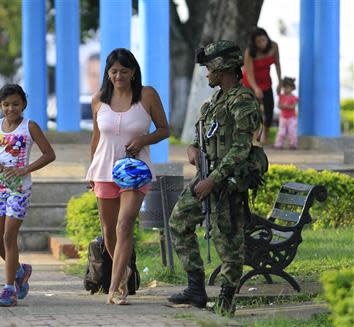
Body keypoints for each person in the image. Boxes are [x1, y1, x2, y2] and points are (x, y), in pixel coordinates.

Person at [168, 40, 262, 316]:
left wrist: (215, 180)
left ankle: (226, 300)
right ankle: (196, 288)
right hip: (206, 177)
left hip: (228, 182)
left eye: (209, 67)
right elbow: (199, 138)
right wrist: (192, 149)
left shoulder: (242, 101)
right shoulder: (213, 103)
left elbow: (241, 149)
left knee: (228, 242)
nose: (206, 73)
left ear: (222, 68)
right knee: (179, 222)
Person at [86, 48, 169, 305]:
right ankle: (125, 272)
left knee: (125, 225)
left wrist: (144, 139)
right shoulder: (99, 99)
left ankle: (115, 287)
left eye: (124, 71)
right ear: (108, 74)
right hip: (104, 169)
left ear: (133, 72)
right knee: (109, 231)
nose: (119, 75)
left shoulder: (147, 95)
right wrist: (91, 169)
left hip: (135, 171)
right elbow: (96, 138)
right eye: (114, 71)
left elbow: (165, 129)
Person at [0, 84, 56, 307]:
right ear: (1, 106)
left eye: (16, 104)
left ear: (23, 105)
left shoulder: (30, 127)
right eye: (6, 104)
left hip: (20, 189)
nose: (11, 108)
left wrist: (26, 169)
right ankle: (21, 270)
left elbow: (50, 154)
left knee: (9, 237)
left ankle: (9, 288)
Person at [242, 27, 282, 144]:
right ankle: (254, 137)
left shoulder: (274, 46)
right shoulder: (250, 52)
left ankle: (266, 135)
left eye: (263, 40)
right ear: (254, 43)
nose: (262, 44)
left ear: (267, 38)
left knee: (269, 108)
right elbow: (248, 72)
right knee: (253, 110)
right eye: (258, 42)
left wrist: (280, 81)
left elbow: (277, 64)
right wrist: (255, 88)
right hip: (250, 82)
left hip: (266, 82)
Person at [274, 77, 299, 150]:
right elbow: (278, 105)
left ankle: (293, 144)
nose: (286, 89)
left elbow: (293, 106)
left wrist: (287, 106)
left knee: (292, 132)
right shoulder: (281, 96)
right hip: (283, 118)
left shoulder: (294, 97)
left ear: (292, 88)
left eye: (288, 88)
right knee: (281, 132)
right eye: (284, 87)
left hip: (292, 118)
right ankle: (278, 144)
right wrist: (283, 106)